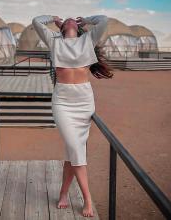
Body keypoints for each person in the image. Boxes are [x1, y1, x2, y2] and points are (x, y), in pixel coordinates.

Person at [32, 14, 114, 217]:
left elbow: (103, 20)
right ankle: (87, 198)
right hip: (62, 102)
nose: (70, 20)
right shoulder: (54, 41)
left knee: (72, 152)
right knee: (76, 149)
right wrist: (52, 18)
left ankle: (63, 193)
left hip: (84, 101)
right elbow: (36, 21)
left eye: (73, 20)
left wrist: (86, 19)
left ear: (78, 27)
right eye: (66, 20)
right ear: (61, 27)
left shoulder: (88, 40)